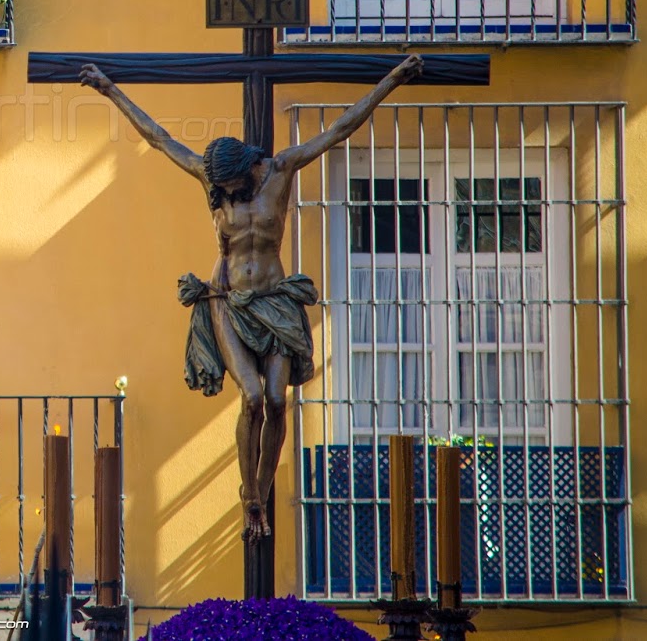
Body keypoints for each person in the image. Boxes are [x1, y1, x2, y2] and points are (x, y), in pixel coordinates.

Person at [80, 53, 423, 543]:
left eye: (230, 187)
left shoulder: (280, 171)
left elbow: (341, 128)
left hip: (276, 301)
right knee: (253, 397)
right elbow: (157, 137)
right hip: (228, 300)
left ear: (246, 170)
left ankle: (260, 492)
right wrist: (108, 89)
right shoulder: (212, 179)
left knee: (279, 403)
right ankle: (251, 496)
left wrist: (391, 80)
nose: (223, 196)